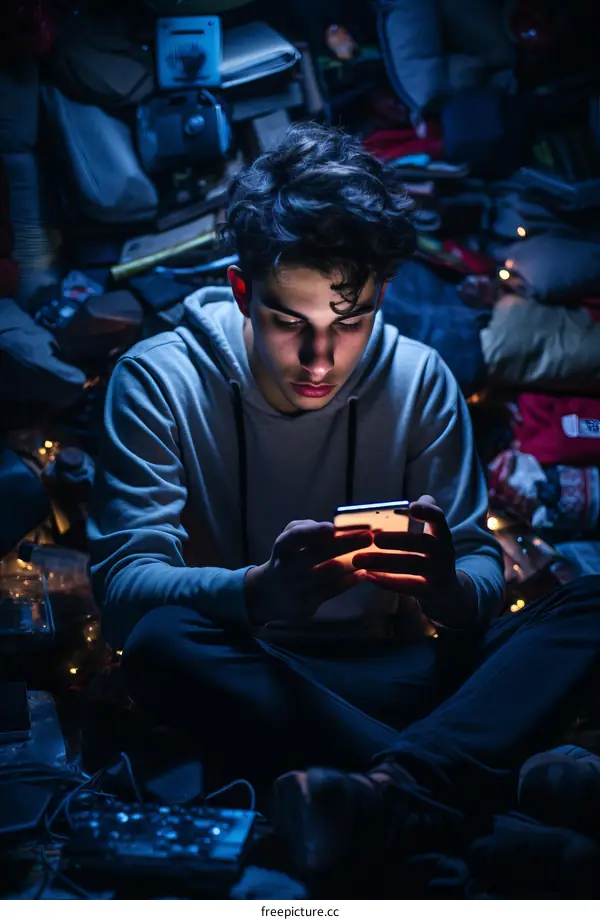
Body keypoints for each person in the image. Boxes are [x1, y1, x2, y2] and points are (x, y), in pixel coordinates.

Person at [89, 123, 600, 881]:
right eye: (289, 323)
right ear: (241, 290)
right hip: (261, 671)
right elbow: (125, 590)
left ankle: (398, 795)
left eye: (349, 322)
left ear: (381, 296)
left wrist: (449, 591)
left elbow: (477, 567)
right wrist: (257, 592)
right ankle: (460, 802)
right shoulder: (158, 381)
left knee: (587, 603)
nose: (320, 359)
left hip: (401, 673)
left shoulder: (421, 378)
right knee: (162, 643)